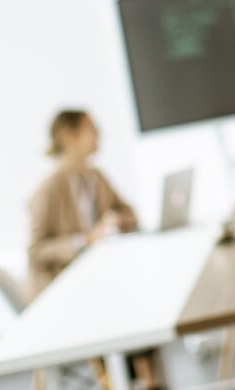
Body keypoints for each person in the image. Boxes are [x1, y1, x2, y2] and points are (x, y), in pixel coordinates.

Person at [28, 110, 158, 390]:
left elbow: (126, 209)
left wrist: (124, 218)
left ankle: (146, 381)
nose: (99, 135)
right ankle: (139, 380)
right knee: (126, 312)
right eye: (92, 129)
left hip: (101, 283)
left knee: (139, 306)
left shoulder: (95, 177)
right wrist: (85, 240)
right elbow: (36, 251)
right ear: (69, 137)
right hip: (65, 294)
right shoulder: (49, 188)